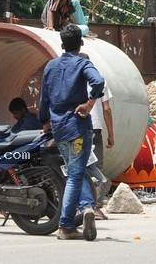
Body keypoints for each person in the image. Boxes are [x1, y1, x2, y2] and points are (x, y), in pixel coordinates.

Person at [39, 24, 105, 241]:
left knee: (76, 172)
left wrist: (45, 122)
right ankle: (66, 225)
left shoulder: (51, 66)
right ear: (81, 43)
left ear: (62, 44)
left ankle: (86, 207)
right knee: (75, 175)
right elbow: (98, 81)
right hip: (77, 127)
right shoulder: (83, 63)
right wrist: (90, 103)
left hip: (59, 129)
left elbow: (44, 98)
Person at [87, 72, 114, 219]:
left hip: (74, 128)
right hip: (95, 128)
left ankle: (78, 206)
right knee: (96, 168)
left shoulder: (68, 77)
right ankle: (95, 207)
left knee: (74, 167)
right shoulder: (99, 81)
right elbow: (106, 109)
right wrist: (111, 134)